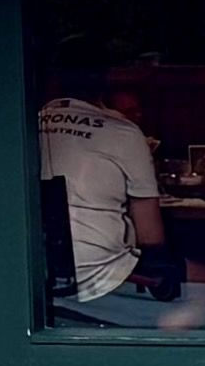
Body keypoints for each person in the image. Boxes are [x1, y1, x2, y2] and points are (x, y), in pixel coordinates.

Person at [34, 79, 164, 317]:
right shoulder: (123, 131)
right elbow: (151, 236)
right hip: (101, 277)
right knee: (204, 280)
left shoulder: (24, 125)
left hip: (31, 277)